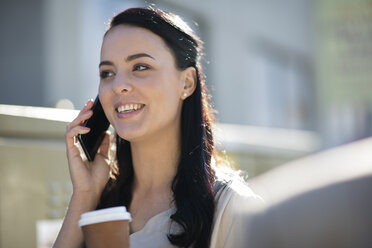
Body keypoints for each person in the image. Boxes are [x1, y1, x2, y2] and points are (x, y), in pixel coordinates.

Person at [53, 7, 263, 248]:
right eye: (107, 73)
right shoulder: (96, 202)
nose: (118, 85)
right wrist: (85, 195)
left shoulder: (231, 207)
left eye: (140, 67)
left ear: (186, 83)